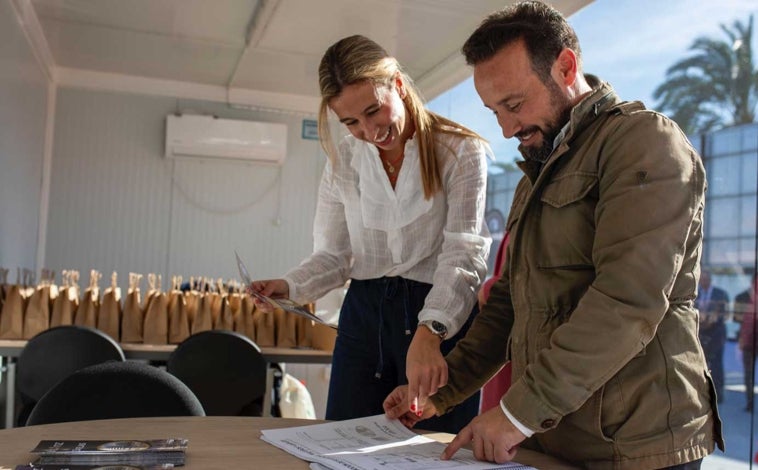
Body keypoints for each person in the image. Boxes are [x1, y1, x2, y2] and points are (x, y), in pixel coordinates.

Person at [384, 1, 724, 468]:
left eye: (514, 104)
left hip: (636, 446)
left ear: (565, 67)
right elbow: (508, 305)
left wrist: (516, 414)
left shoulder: (644, 143)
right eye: (493, 110)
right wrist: (440, 392)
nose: (506, 128)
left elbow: (628, 300)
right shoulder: (536, 177)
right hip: (554, 438)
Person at [251, 35, 491, 433]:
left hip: (442, 314)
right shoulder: (344, 160)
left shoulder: (459, 151)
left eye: (373, 111)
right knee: (342, 440)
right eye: (350, 122)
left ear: (397, 84)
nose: (367, 131)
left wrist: (431, 333)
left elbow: (464, 253)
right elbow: (334, 255)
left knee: (438, 448)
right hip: (365, 319)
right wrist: (290, 285)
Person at [696, 269, 729, 402]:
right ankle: (702, 392)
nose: (704, 282)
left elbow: (725, 314)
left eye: (706, 279)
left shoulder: (720, 294)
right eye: (701, 279)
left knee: (716, 364)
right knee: (699, 362)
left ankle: (718, 394)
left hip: (716, 333)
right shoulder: (695, 293)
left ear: (710, 280)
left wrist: (713, 319)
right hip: (700, 331)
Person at [736, 273, 758, 412]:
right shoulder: (742, 297)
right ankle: (750, 401)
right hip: (749, 341)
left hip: (749, 339)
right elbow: (735, 317)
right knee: (748, 373)